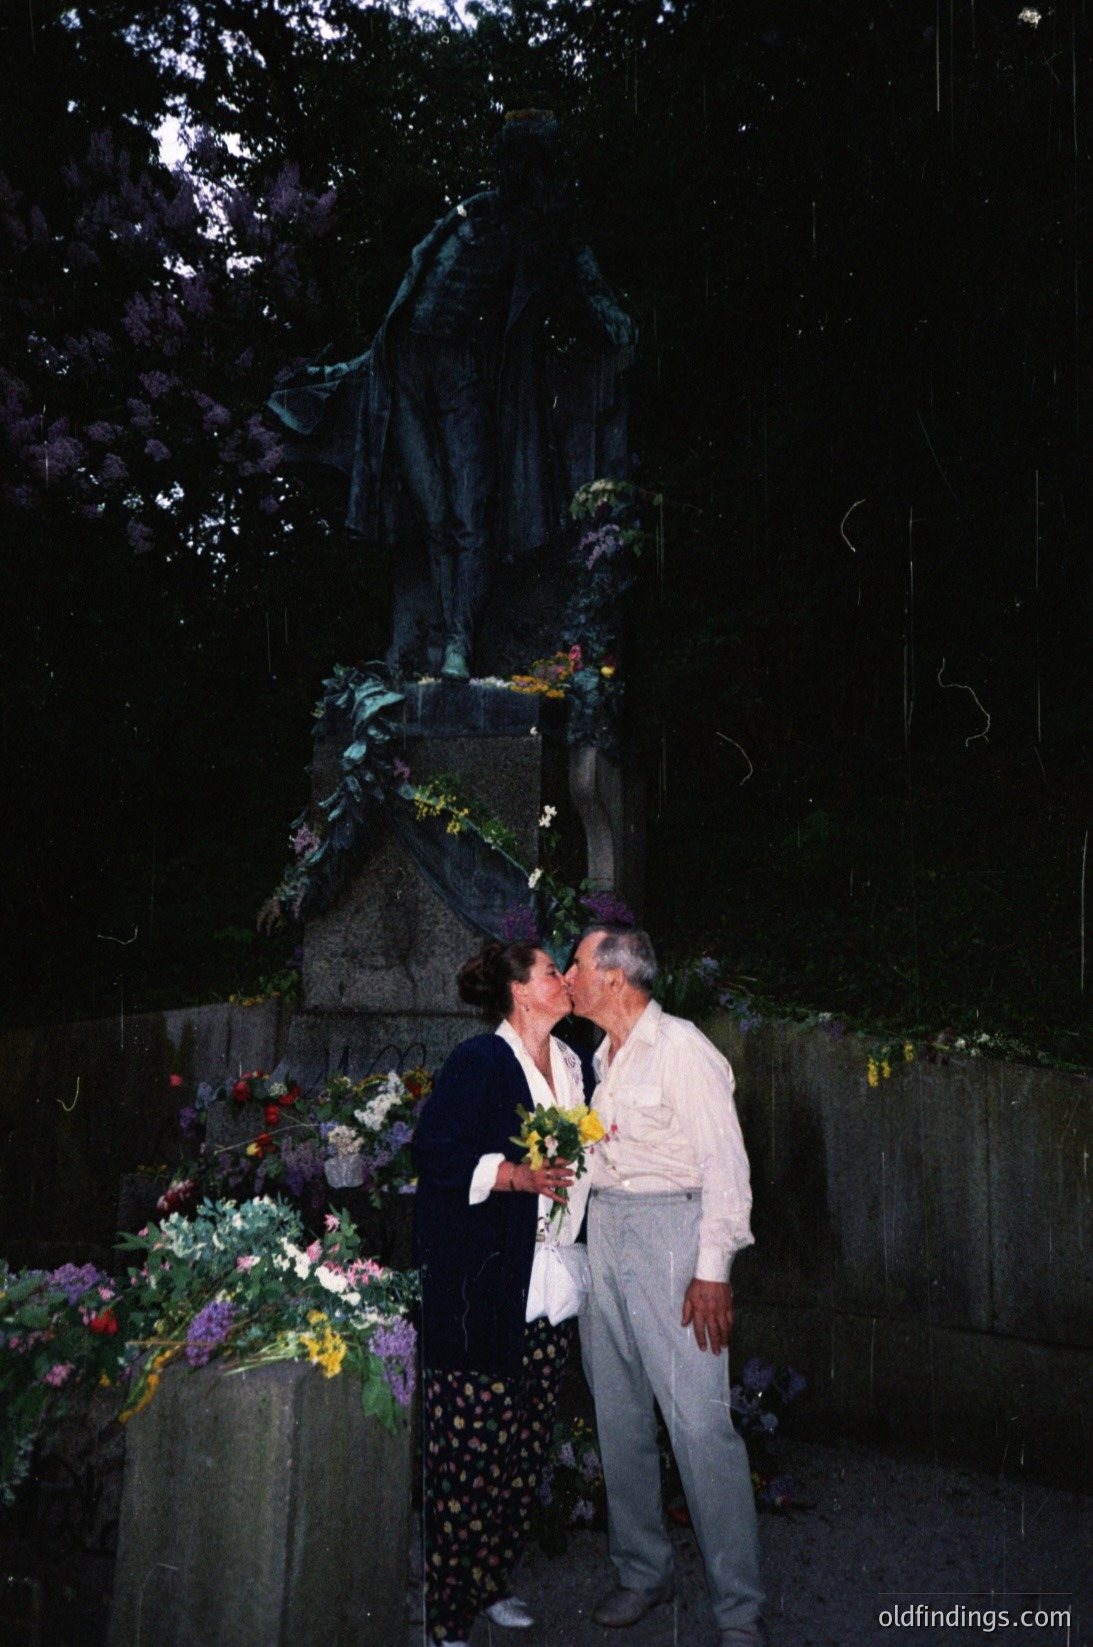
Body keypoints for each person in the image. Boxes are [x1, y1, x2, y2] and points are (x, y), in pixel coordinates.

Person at [267, 111, 635, 680]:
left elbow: (590, 292)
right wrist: (346, 371)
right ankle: (442, 641)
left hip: (467, 374)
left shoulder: (548, 230)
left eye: (525, 162)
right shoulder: (475, 211)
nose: (513, 172)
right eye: (508, 160)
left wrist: (620, 330)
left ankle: (460, 645)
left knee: (469, 512)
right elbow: (408, 301)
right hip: (402, 370)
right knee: (434, 514)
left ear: (540, 169)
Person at [565, 925, 765, 1647]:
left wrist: (711, 1272)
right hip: (606, 1236)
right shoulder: (601, 1054)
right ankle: (644, 1571)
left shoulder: (681, 1049)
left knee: (700, 1428)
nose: (567, 975)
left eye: (577, 964)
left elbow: (725, 1167)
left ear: (614, 976)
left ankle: (738, 1611)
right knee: (618, 1420)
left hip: (672, 1240)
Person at [412, 940, 595, 1647]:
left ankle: (490, 1582)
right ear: (521, 990)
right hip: (485, 1290)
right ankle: (446, 1614)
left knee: (521, 1453)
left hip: (549, 1286)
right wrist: (513, 1175)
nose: (564, 978)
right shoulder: (479, 1062)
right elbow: (434, 1151)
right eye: (553, 970)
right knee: (466, 1458)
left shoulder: (574, 1062)